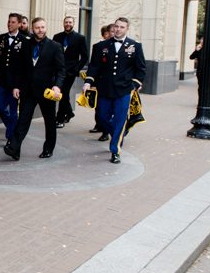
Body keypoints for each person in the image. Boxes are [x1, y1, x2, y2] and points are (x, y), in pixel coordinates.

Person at [82, 17, 146, 164]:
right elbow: (94, 66)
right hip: (104, 88)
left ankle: (115, 150)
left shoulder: (135, 46)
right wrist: (88, 81)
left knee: (119, 119)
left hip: (124, 90)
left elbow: (141, 68)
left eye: (122, 27)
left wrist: (135, 85)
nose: (118, 29)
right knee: (102, 117)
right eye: (116, 26)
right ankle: (119, 133)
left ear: (127, 29)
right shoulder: (100, 46)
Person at [5, 17, 65, 160]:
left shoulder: (55, 46)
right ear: (32, 29)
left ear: (46, 28)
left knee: (49, 121)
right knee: (23, 119)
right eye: (37, 27)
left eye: (43, 27)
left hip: (47, 91)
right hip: (28, 90)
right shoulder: (25, 44)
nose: (40, 30)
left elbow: (61, 70)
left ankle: (48, 149)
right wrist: (16, 86)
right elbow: (19, 68)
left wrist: (57, 86)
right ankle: (14, 148)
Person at [0, 13, 27, 148]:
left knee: (14, 109)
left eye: (13, 22)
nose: (10, 24)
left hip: (15, 83)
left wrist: (20, 84)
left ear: (20, 24)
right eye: (9, 22)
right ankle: (12, 126)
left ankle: (11, 138)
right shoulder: (1, 38)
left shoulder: (25, 40)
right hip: (1, 80)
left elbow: (25, 64)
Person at [52, 16, 88, 128]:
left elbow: (85, 56)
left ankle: (60, 118)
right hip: (57, 70)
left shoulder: (80, 38)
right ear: (63, 23)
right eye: (66, 22)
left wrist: (76, 69)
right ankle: (70, 112)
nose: (68, 24)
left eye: (70, 22)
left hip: (70, 71)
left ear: (74, 23)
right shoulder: (57, 37)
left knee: (63, 92)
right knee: (63, 93)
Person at [89, 24, 114, 135]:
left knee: (111, 108)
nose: (109, 35)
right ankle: (100, 125)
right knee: (99, 106)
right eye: (107, 33)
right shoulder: (98, 47)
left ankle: (106, 132)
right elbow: (94, 65)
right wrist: (90, 81)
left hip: (115, 84)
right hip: (100, 81)